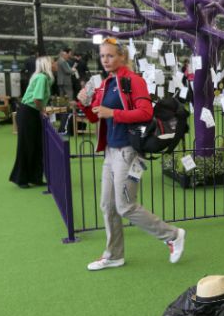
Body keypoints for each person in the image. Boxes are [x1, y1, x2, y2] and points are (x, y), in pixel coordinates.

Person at [76, 37, 186, 271]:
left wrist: (112, 113)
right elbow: (96, 116)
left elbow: (145, 113)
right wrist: (85, 103)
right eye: (103, 56)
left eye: (110, 55)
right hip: (111, 152)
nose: (105, 60)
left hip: (130, 152)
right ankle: (114, 255)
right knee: (108, 205)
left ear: (122, 57)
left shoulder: (133, 81)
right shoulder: (105, 83)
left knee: (125, 205)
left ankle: (173, 235)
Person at [9, 56, 56, 189]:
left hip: (31, 113)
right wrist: (43, 111)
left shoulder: (44, 78)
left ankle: (35, 177)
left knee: (37, 145)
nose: (55, 64)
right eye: (53, 62)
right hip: (28, 113)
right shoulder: (41, 78)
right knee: (27, 146)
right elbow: (37, 99)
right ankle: (21, 179)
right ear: (47, 65)